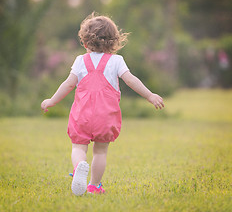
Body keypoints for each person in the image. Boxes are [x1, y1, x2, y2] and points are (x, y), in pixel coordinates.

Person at [41, 13, 165, 196]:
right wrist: (150, 95)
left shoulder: (80, 60)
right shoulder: (116, 61)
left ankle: (78, 168)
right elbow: (131, 80)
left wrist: (51, 100)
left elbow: (68, 84)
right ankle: (94, 186)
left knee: (78, 147)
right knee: (100, 152)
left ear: (84, 42)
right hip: (105, 116)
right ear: (114, 42)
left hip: (82, 115)